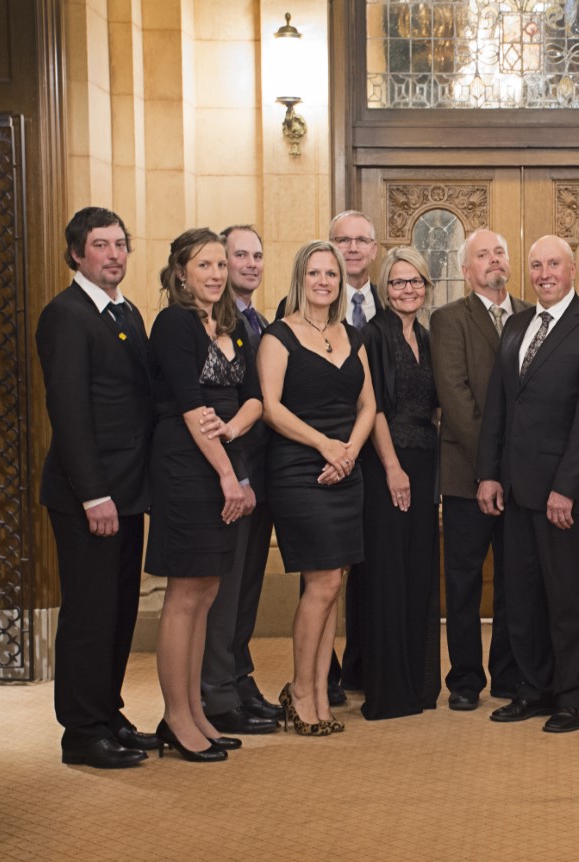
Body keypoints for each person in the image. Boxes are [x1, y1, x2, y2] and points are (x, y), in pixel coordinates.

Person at [477, 234, 579, 734]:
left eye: (553, 264)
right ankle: (532, 690)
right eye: (536, 265)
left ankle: (576, 696)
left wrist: (567, 487)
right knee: (521, 597)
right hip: (516, 490)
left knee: (570, 599)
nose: (543, 274)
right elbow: (500, 405)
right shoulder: (516, 325)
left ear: (572, 268)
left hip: (566, 495)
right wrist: (489, 473)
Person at [37, 207, 158, 769]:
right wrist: (93, 494)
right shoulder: (65, 315)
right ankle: (81, 732)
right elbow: (70, 412)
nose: (114, 255)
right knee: (89, 614)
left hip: (129, 492)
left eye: (120, 244)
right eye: (101, 245)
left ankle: (108, 713)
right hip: (90, 496)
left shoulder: (126, 311)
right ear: (77, 254)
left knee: (119, 612)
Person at [146, 228, 262, 762]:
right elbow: (193, 409)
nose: (216, 274)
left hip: (223, 461)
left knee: (208, 592)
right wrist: (225, 476)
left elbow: (253, 400)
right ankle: (175, 716)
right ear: (181, 273)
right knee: (185, 594)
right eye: (205, 265)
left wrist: (234, 451)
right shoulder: (173, 323)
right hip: (185, 469)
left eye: (221, 264)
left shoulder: (231, 326)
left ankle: (195, 711)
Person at [258, 240, 376, 736]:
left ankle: (319, 693)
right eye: (314, 273)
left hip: (345, 469)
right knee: (323, 582)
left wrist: (347, 450)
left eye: (331, 273)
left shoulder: (353, 335)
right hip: (297, 469)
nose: (324, 281)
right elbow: (271, 407)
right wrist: (325, 447)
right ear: (299, 279)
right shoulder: (277, 336)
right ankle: (301, 691)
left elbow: (369, 404)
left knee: (332, 583)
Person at [430, 229, 529, 711]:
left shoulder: (533, 316)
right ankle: (465, 679)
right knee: (464, 582)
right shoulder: (449, 320)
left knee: (515, 581)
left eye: (500, 252)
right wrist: (490, 470)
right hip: (467, 474)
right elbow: (456, 398)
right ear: (466, 270)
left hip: (522, 478)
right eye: (482, 255)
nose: (493, 261)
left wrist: (514, 470)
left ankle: (509, 675)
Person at [198, 224, 281, 735]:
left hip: (263, 478)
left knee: (247, 588)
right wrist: (239, 476)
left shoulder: (259, 320)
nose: (248, 264)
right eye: (237, 256)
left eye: (257, 255)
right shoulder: (209, 325)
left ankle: (239, 675)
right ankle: (216, 692)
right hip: (228, 476)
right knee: (223, 592)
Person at [358, 247, 442, 719]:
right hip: (385, 464)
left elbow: (435, 404)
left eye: (415, 282)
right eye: (397, 282)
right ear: (385, 288)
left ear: (426, 287)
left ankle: (419, 685)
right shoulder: (373, 335)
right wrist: (392, 468)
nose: (407, 290)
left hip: (425, 462)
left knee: (419, 571)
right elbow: (372, 408)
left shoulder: (429, 338)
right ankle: (389, 691)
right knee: (388, 572)